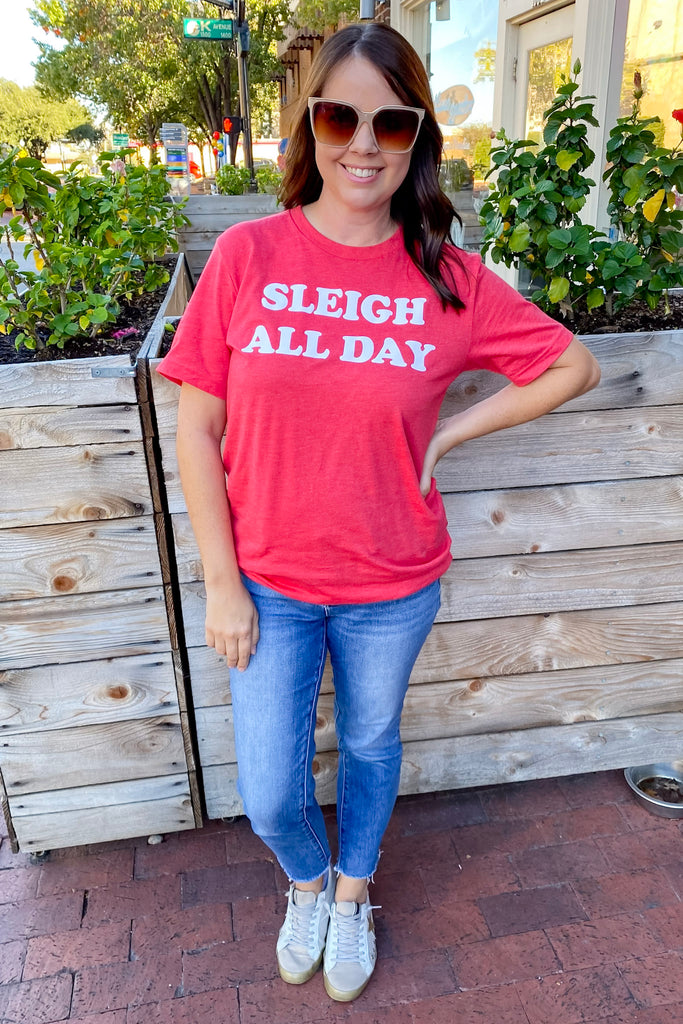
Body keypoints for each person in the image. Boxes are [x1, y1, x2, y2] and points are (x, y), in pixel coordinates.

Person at [157, 22, 600, 1003]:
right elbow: (196, 426)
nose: (362, 144)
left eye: (390, 122)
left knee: (367, 743)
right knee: (267, 787)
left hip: (392, 582)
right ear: (309, 126)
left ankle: (352, 893)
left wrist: (447, 436)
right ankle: (306, 881)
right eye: (338, 117)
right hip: (266, 582)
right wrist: (222, 583)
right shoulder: (247, 254)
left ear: (417, 137)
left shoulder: (447, 275)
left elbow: (570, 365)